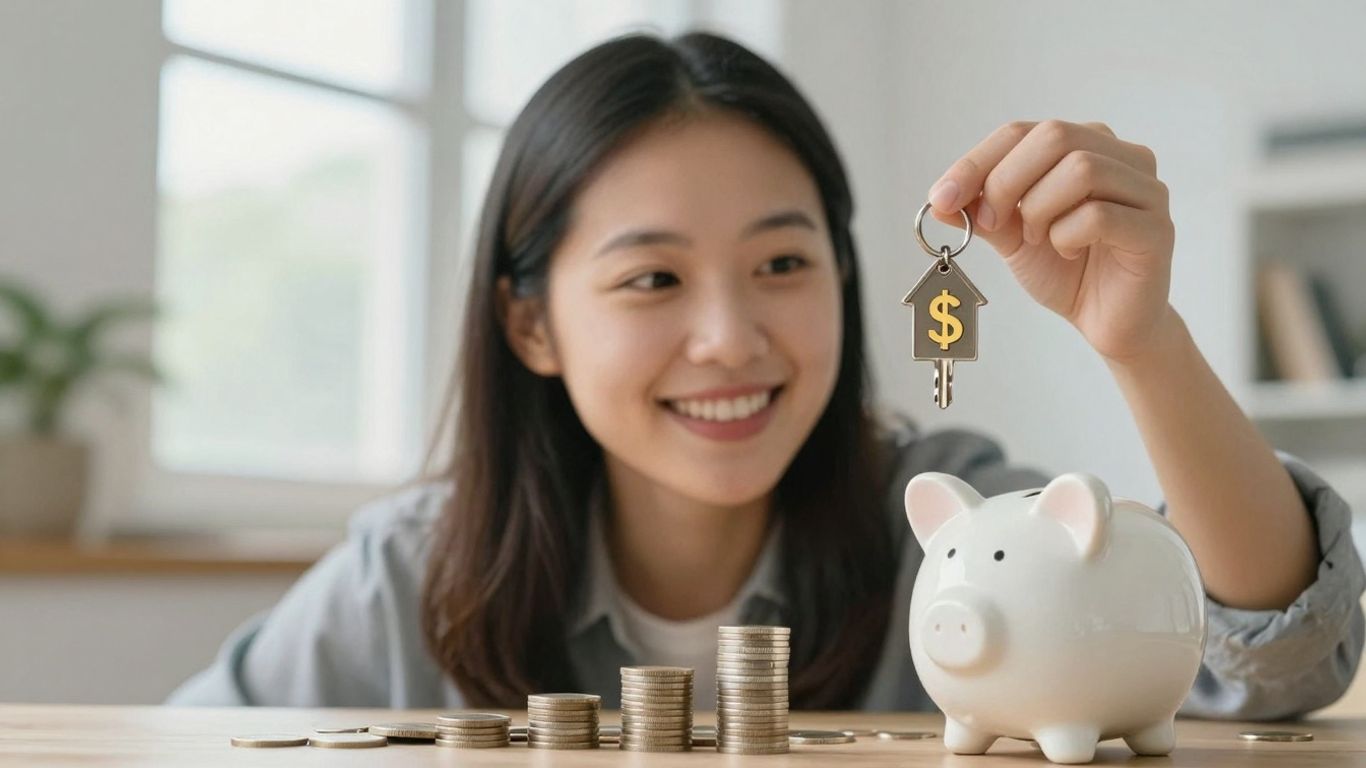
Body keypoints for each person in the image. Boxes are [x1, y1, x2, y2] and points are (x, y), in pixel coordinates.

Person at [166, 31, 1364, 717]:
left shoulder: (945, 520)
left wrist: (1138, 338)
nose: (732, 338)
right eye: (652, 280)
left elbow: (1279, 670)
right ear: (528, 326)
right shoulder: (410, 575)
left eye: (783, 262)